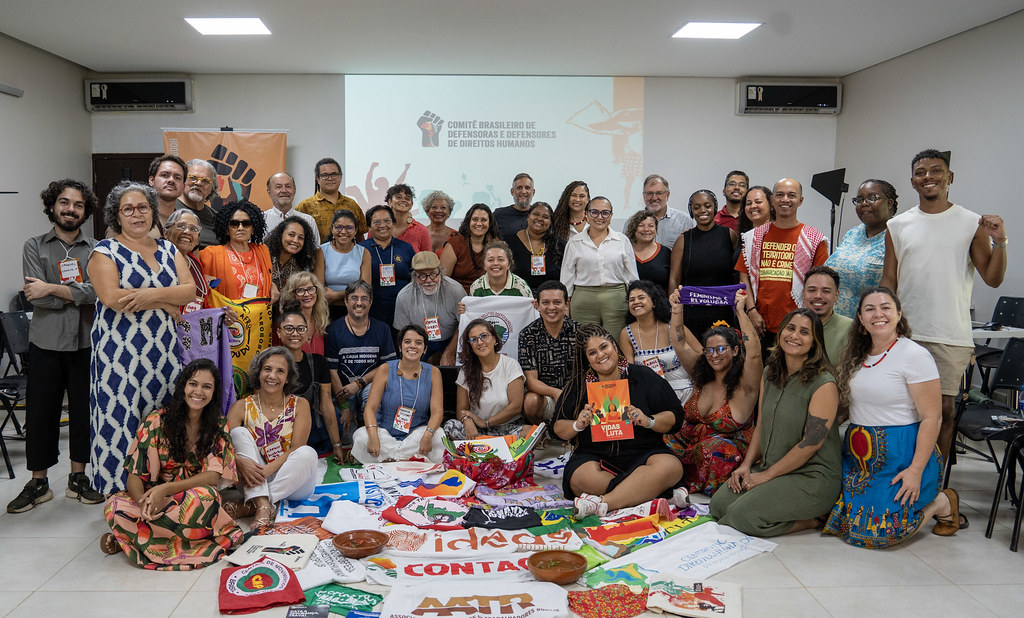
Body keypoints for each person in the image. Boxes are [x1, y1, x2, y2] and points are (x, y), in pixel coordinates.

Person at [881, 149, 1006, 460]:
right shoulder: (897, 225)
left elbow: (993, 278)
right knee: (901, 410)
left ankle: (932, 480)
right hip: (905, 332)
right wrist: (881, 322)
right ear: (913, 181)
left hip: (950, 334)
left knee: (944, 411)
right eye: (921, 172)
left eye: (936, 171)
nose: (929, 177)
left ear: (949, 177)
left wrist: (1000, 242)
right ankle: (902, 473)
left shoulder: (971, 222)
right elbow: (889, 281)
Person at [823, 287, 961, 547]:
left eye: (885, 307)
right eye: (870, 309)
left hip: (902, 455)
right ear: (861, 319)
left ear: (899, 314)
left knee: (881, 533)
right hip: (860, 457)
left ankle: (941, 503)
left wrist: (915, 471)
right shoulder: (857, 355)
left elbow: (932, 418)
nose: (878, 314)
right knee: (845, 525)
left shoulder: (915, 356)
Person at [89, 181, 195, 495]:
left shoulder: (169, 249)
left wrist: (149, 296)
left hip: (163, 352)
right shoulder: (104, 251)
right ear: (117, 215)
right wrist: (165, 301)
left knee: (163, 419)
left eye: (143, 207)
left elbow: (189, 291)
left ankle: (160, 490)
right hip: (118, 353)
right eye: (128, 209)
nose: (137, 214)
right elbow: (111, 297)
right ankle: (120, 495)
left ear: (152, 211)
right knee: (120, 420)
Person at [8, 179, 103, 514]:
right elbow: (35, 297)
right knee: (40, 415)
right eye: (64, 202)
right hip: (45, 343)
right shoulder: (35, 246)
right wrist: (76, 293)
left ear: (85, 212)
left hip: (86, 343)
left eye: (78, 205)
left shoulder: (97, 249)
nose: (70, 209)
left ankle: (78, 478)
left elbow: (100, 293)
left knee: (84, 413)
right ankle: (38, 482)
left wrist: (52, 288)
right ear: (52, 206)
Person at [709, 309, 841, 537]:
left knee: (742, 516)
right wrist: (746, 466)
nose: (795, 336)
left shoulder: (824, 383)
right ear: (780, 333)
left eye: (804, 332)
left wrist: (766, 476)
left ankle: (812, 520)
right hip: (772, 468)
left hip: (811, 477)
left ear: (814, 342)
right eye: (791, 328)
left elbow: (810, 444)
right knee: (718, 506)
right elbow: (761, 425)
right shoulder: (770, 373)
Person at [100, 359, 243, 568]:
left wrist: (166, 489)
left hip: (191, 500)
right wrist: (143, 503)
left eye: (207, 387)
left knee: (207, 497)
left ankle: (132, 539)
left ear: (214, 393)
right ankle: (147, 535)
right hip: (157, 500)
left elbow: (212, 476)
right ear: (183, 386)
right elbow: (134, 475)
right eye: (193, 384)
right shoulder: (156, 420)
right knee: (114, 505)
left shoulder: (219, 425)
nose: (198, 391)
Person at [552, 323, 686, 517]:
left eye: (604, 347)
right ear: (586, 358)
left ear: (614, 346)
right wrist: (577, 424)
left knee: (670, 466)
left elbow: (676, 416)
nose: (600, 355)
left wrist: (648, 420)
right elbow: (557, 428)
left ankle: (602, 503)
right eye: (592, 353)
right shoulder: (578, 385)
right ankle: (650, 492)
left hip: (644, 454)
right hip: (595, 458)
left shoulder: (643, 376)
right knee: (578, 478)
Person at [664, 287, 763, 495]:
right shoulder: (702, 373)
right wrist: (677, 309)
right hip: (691, 447)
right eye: (709, 350)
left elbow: (754, 353)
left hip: (724, 453)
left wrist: (740, 311)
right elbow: (680, 344)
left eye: (720, 349)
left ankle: (703, 492)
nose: (714, 355)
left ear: (735, 350)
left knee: (717, 450)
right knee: (661, 437)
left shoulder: (746, 384)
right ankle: (673, 485)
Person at [737, 178, 829, 355]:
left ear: (801, 200)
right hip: (761, 325)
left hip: (799, 327)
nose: (785, 199)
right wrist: (752, 310)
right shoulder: (754, 237)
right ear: (772, 200)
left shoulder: (814, 239)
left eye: (791, 195)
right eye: (780, 195)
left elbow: (821, 283)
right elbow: (744, 276)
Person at [227, 347, 318, 527]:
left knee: (307, 453)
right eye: (267, 369)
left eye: (280, 371)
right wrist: (238, 460)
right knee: (238, 433)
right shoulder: (241, 406)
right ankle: (263, 505)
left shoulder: (300, 404)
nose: (272, 376)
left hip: (292, 481)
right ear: (258, 372)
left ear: (288, 378)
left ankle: (253, 505)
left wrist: (267, 470)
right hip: (252, 478)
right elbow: (223, 447)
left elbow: (297, 447)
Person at [351, 325, 445, 464]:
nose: (412, 346)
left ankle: (391, 459)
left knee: (439, 436)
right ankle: (409, 460)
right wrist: (373, 436)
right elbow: (370, 408)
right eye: (407, 341)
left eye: (418, 342)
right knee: (360, 436)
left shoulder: (433, 372)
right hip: (385, 436)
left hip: (416, 437)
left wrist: (428, 435)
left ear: (425, 349)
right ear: (400, 346)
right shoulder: (385, 369)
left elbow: (437, 411)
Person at [561, 196, 639, 340]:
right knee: (586, 343)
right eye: (594, 212)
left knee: (616, 342)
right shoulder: (574, 242)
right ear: (586, 215)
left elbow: (632, 276)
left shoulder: (622, 240)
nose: (600, 217)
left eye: (605, 213)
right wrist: (565, 304)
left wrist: (635, 298)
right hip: (583, 300)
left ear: (611, 216)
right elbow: (567, 277)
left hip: (616, 299)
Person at [324, 281, 396, 430]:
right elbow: (332, 372)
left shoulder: (383, 329)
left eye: (364, 298)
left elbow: (388, 366)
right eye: (354, 298)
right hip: (342, 391)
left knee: (373, 400)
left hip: (369, 387)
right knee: (347, 435)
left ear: (370, 302)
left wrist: (359, 384)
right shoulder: (333, 330)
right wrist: (344, 408)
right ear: (346, 301)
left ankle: (372, 431)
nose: (359, 303)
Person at [668, 189, 739, 337]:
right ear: (691, 211)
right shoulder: (683, 239)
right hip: (692, 311)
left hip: (723, 309)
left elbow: (738, 273)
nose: (702, 210)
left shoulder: (729, 235)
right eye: (696, 207)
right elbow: (674, 278)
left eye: (707, 206)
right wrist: (673, 309)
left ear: (715, 208)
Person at [277, 308, 343, 462]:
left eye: (300, 329)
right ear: (279, 332)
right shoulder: (269, 362)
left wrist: (337, 444)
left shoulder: (318, 362)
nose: (295, 333)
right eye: (289, 328)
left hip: (311, 431)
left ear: (307, 333)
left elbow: (326, 405)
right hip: (278, 434)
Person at [824, 179, 897, 318]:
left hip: (867, 323)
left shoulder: (896, 236)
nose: (864, 203)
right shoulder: (852, 233)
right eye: (859, 199)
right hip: (832, 321)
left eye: (872, 198)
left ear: (889, 203)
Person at [619, 280, 699, 405]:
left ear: (654, 303)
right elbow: (630, 373)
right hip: (651, 398)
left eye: (641, 297)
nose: (636, 302)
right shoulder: (626, 333)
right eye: (631, 300)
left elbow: (702, 357)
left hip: (685, 394)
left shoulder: (673, 327)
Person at [443, 319, 526, 440]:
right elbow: (461, 410)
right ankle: (494, 444)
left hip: (509, 427)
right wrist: (467, 421)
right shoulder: (465, 371)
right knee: (450, 426)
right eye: (474, 339)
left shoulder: (510, 364)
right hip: (478, 430)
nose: (480, 342)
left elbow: (516, 406)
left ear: (494, 339)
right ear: (470, 346)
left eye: (484, 336)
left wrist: (486, 423)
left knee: (530, 432)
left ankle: (483, 445)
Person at [519, 281, 579, 424]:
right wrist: (555, 392)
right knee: (530, 401)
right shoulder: (528, 335)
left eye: (557, 302)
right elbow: (531, 381)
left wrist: (569, 394)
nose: (551, 307)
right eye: (545, 302)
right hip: (547, 396)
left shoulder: (580, 332)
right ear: (537, 305)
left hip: (576, 395)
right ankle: (544, 430)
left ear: (567, 303)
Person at [393, 251, 464, 364]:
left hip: (452, 338)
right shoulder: (404, 296)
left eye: (433, 274)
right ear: (414, 276)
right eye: (422, 276)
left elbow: (464, 325)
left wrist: (450, 352)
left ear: (440, 273)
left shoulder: (456, 290)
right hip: (419, 340)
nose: (428, 280)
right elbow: (403, 332)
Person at [198, 200, 273, 301]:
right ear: (226, 230)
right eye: (234, 224)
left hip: (261, 310)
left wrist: (272, 286)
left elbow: (268, 279)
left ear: (253, 229)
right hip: (228, 310)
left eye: (246, 223)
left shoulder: (262, 251)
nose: (240, 228)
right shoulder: (211, 254)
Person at [360, 205, 415, 330]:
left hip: (403, 309)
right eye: (376, 222)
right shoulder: (361, 249)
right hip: (372, 309)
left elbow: (414, 278)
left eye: (387, 221)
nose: (382, 225)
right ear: (369, 226)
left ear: (393, 223)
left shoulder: (406, 248)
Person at [315, 209, 371, 319]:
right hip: (326, 309)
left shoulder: (364, 253)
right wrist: (351, 293)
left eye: (349, 228)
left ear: (355, 231)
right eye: (338, 227)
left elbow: (365, 289)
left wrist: (336, 295)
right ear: (332, 229)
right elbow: (319, 288)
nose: (343, 231)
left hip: (356, 308)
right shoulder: (321, 251)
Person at [296, 157, 367, 242]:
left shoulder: (352, 205)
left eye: (334, 174)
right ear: (317, 178)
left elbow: (360, 237)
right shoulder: (305, 206)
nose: (330, 178)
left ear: (340, 177)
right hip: (316, 251)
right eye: (325, 175)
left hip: (349, 251)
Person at [440, 203, 499, 293]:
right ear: (468, 222)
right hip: (458, 296)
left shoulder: (496, 244)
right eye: (475, 219)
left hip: (488, 296)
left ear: (490, 223)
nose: (479, 223)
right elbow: (443, 280)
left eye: (484, 220)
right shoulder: (455, 243)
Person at [508, 202, 565, 291]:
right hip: (519, 295)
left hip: (551, 296)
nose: (539, 219)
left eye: (545, 217)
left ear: (550, 222)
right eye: (536, 214)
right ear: (528, 216)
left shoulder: (560, 245)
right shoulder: (509, 243)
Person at [627, 174, 694, 250]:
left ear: (667, 195)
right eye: (649, 193)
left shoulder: (684, 221)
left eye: (659, 193)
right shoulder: (631, 222)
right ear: (644, 195)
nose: (654, 198)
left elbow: (690, 251)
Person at [802, 266, 853, 365]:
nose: (818, 296)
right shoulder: (791, 326)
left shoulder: (851, 329)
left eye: (826, 291)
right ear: (803, 294)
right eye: (812, 290)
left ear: (836, 296)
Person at [163, 209, 209, 314]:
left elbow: (202, 305)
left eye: (193, 229)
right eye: (181, 226)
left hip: (192, 323)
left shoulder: (195, 263)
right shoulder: (158, 259)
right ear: (165, 233)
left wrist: (222, 314)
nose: (187, 232)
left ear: (197, 240)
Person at [278, 271, 330, 355]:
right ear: (292, 295)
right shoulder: (285, 323)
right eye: (300, 290)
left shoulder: (321, 322)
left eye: (310, 289)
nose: (306, 294)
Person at [262, 172, 320, 246]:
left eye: (288, 186)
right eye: (278, 187)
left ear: (294, 190)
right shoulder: (261, 220)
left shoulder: (309, 221)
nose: (284, 190)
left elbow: (315, 249)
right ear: (269, 192)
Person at [266, 216, 320, 293]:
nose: (295, 240)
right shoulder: (265, 254)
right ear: (280, 235)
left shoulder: (299, 263)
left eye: (300, 238)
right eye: (291, 235)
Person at [176, 159, 219, 249]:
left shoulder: (216, 217)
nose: (199, 183)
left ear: (212, 188)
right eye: (193, 178)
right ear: (182, 180)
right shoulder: (170, 208)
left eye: (205, 181)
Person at [625, 210, 671, 294]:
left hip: (660, 301)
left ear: (656, 229)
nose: (646, 229)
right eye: (641, 225)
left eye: (651, 226)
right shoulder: (625, 251)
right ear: (634, 229)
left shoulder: (666, 253)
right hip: (630, 300)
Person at [469, 240, 533, 298]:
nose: (495, 263)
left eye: (500, 259)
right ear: (484, 265)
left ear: (509, 264)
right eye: (490, 260)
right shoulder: (476, 287)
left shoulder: (521, 286)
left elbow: (529, 306)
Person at [387, 183, 432, 253]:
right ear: (390, 202)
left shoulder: (421, 230)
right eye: (398, 197)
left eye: (407, 198)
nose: (403, 200)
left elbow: (428, 258)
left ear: (411, 205)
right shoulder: (379, 228)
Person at [147, 154, 186, 232]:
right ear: (152, 180)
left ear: (183, 187)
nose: (171, 180)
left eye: (177, 178)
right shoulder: (139, 217)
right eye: (165, 175)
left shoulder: (186, 223)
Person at [492, 172, 535, 242]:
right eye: (519, 188)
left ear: (533, 192)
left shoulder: (539, 217)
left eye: (527, 188)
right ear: (512, 191)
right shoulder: (499, 215)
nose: (523, 191)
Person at [422, 190, 456, 256]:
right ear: (427, 211)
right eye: (434, 207)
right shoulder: (419, 233)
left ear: (449, 212)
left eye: (443, 208)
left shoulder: (455, 237)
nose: (438, 210)